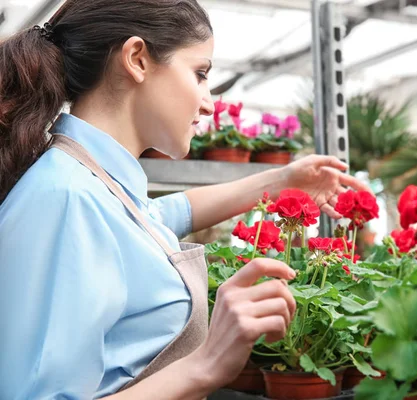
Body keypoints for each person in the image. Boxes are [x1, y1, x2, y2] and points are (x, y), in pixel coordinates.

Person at [0, 1, 370, 399]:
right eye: (200, 74)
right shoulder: (64, 199)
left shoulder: (96, 185)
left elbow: (162, 216)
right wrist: (205, 364)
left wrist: (282, 180)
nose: (210, 103)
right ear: (137, 59)